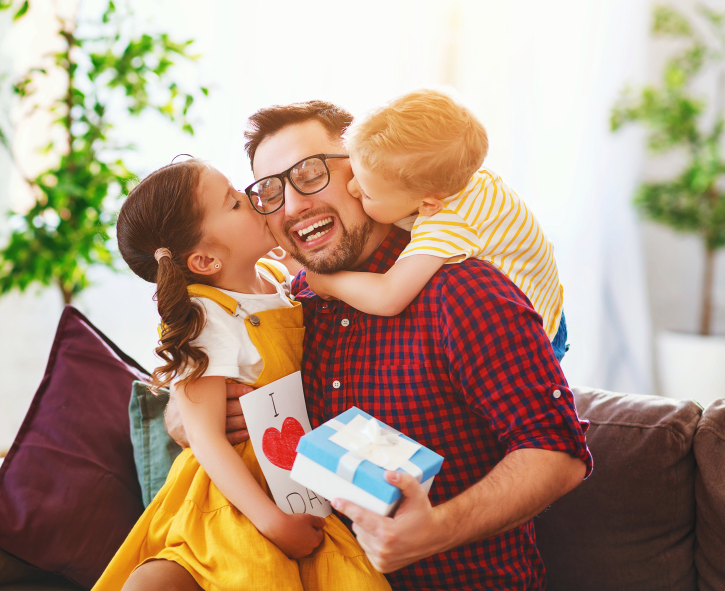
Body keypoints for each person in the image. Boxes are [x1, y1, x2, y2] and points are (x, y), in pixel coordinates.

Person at [168, 100, 592, 590]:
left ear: (361, 170)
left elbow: (558, 453)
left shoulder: (463, 291)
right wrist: (185, 415)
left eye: (309, 173)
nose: (292, 206)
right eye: (268, 191)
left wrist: (435, 530)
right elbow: (201, 371)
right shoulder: (293, 306)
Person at [92, 158, 391, 591]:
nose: (252, 198)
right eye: (234, 202)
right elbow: (207, 438)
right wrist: (272, 522)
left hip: (295, 476)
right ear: (206, 259)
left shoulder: (273, 277)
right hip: (238, 493)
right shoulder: (206, 315)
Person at [295, 89, 568, 360]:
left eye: (367, 193)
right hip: (548, 294)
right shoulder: (454, 174)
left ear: (428, 205)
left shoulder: (448, 222)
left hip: (535, 335)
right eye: (355, 174)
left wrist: (328, 283)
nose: (352, 188)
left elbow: (388, 296)